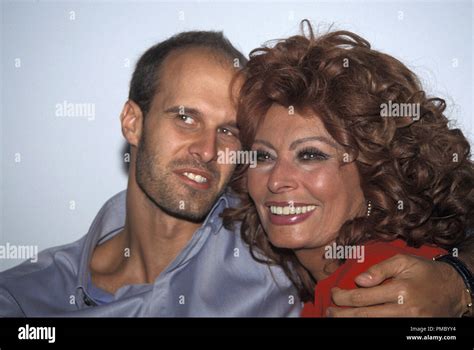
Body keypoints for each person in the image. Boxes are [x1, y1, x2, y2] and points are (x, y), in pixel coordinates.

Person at [0, 28, 472, 317]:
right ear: (133, 122)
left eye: (228, 131)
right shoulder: (27, 297)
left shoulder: (283, 247)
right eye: (185, 117)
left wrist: (460, 283)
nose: (207, 150)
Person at [223, 21, 474, 317]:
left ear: (375, 172)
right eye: (263, 157)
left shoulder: (379, 290)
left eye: (311, 155)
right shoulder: (333, 286)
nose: (277, 180)